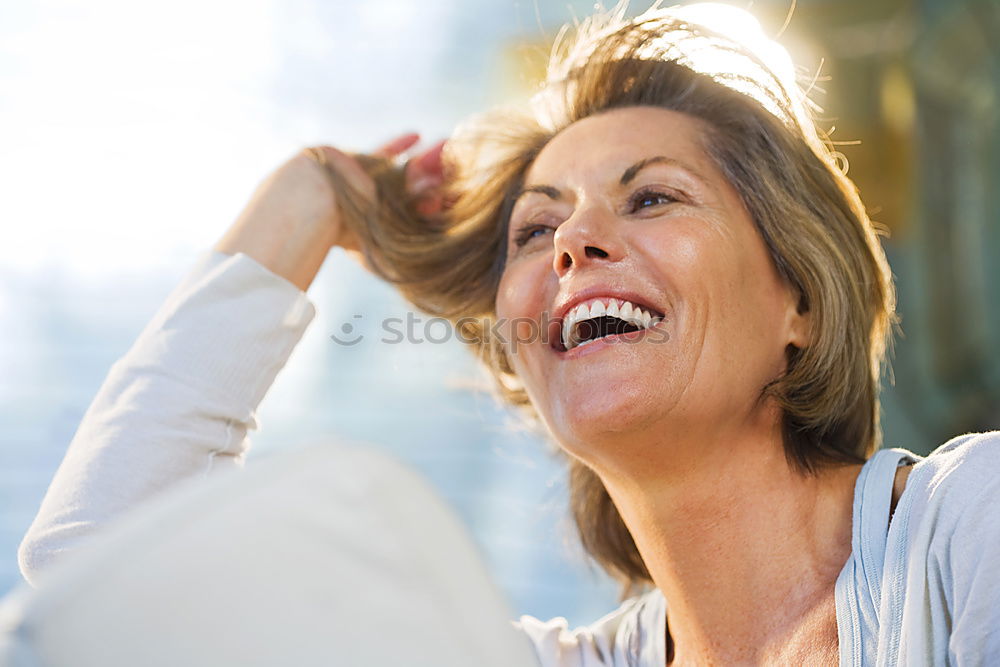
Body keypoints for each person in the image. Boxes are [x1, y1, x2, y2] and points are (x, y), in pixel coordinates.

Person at [15, 3, 1000, 665]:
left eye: (652, 195)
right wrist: (308, 196)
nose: (574, 240)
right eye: (536, 229)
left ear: (800, 303)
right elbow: (99, 587)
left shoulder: (969, 527)